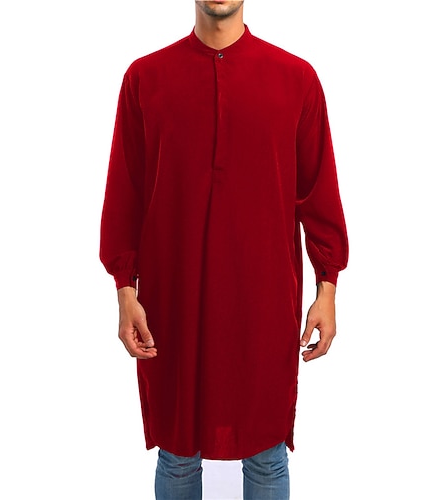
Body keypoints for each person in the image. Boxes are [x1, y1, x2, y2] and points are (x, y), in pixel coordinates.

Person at [100, 1, 348, 498]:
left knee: (267, 455)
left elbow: (318, 191)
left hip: (264, 304)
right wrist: (125, 290)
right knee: (176, 456)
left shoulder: (295, 78)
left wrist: (327, 289)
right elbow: (125, 193)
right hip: (172, 304)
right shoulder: (145, 78)